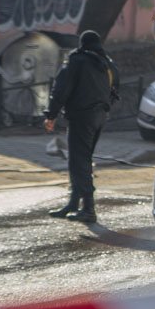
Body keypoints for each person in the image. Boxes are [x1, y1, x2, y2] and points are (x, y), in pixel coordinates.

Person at [43, 30, 120, 224]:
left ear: (82, 43)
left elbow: (61, 88)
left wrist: (51, 115)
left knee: (79, 162)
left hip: (82, 117)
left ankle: (88, 208)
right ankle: (73, 203)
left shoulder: (77, 60)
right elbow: (116, 88)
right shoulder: (107, 63)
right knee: (81, 159)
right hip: (100, 117)